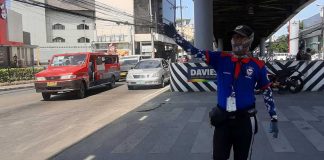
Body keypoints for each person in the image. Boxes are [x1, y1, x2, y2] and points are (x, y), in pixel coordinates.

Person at [164, 24, 279, 160]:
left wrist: (274, 117)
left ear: (249, 40)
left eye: (241, 37)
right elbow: (194, 51)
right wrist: (176, 37)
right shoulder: (220, 58)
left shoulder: (258, 65)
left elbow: (267, 91)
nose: (236, 40)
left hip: (245, 121)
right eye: (235, 37)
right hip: (222, 120)